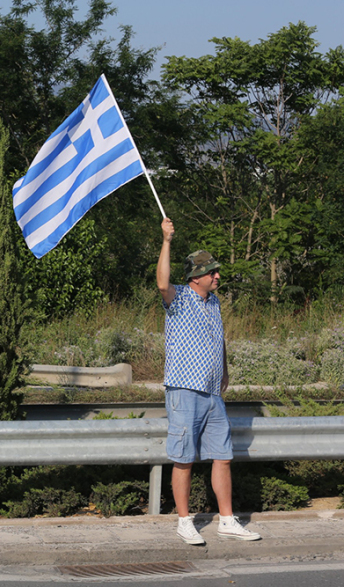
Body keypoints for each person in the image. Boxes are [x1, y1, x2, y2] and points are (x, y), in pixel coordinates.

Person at [156, 217, 260, 545]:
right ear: (196, 277)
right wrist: (167, 241)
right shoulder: (179, 299)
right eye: (212, 272)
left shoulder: (213, 301)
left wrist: (225, 368)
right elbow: (161, 284)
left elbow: (219, 338)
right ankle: (184, 522)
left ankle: (227, 520)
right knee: (184, 458)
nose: (218, 276)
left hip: (213, 392)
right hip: (184, 390)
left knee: (223, 456)